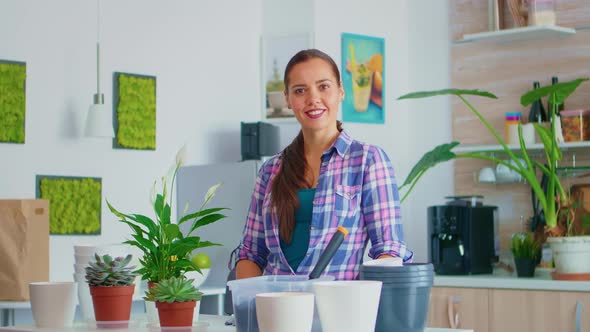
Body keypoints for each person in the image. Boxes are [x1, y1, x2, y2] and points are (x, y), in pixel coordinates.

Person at [235, 49, 412, 280]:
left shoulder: (368, 161)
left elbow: (389, 249)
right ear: (287, 99)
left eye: (324, 86)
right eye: (300, 90)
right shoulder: (270, 171)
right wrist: (249, 307)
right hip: (276, 308)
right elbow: (251, 253)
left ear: (340, 91)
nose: (313, 99)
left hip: (338, 309)